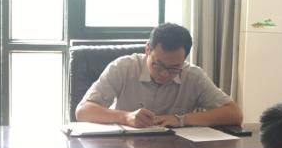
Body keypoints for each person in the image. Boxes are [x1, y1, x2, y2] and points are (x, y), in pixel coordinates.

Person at [75, 22, 242, 129]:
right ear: (148, 49)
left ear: (184, 59)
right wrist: (126, 117)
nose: (164, 74)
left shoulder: (193, 76)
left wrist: (181, 119)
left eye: (174, 68)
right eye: (158, 65)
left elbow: (234, 114)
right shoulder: (123, 67)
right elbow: (83, 111)